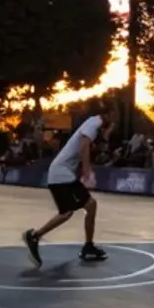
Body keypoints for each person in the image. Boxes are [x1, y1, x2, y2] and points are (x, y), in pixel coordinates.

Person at [22, 110, 112, 267]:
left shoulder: (95, 126)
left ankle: (88, 246)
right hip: (60, 174)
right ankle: (35, 235)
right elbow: (83, 148)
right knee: (66, 213)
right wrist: (87, 170)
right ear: (109, 113)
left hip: (64, 173)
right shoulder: (94, 122)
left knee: (90, 205)